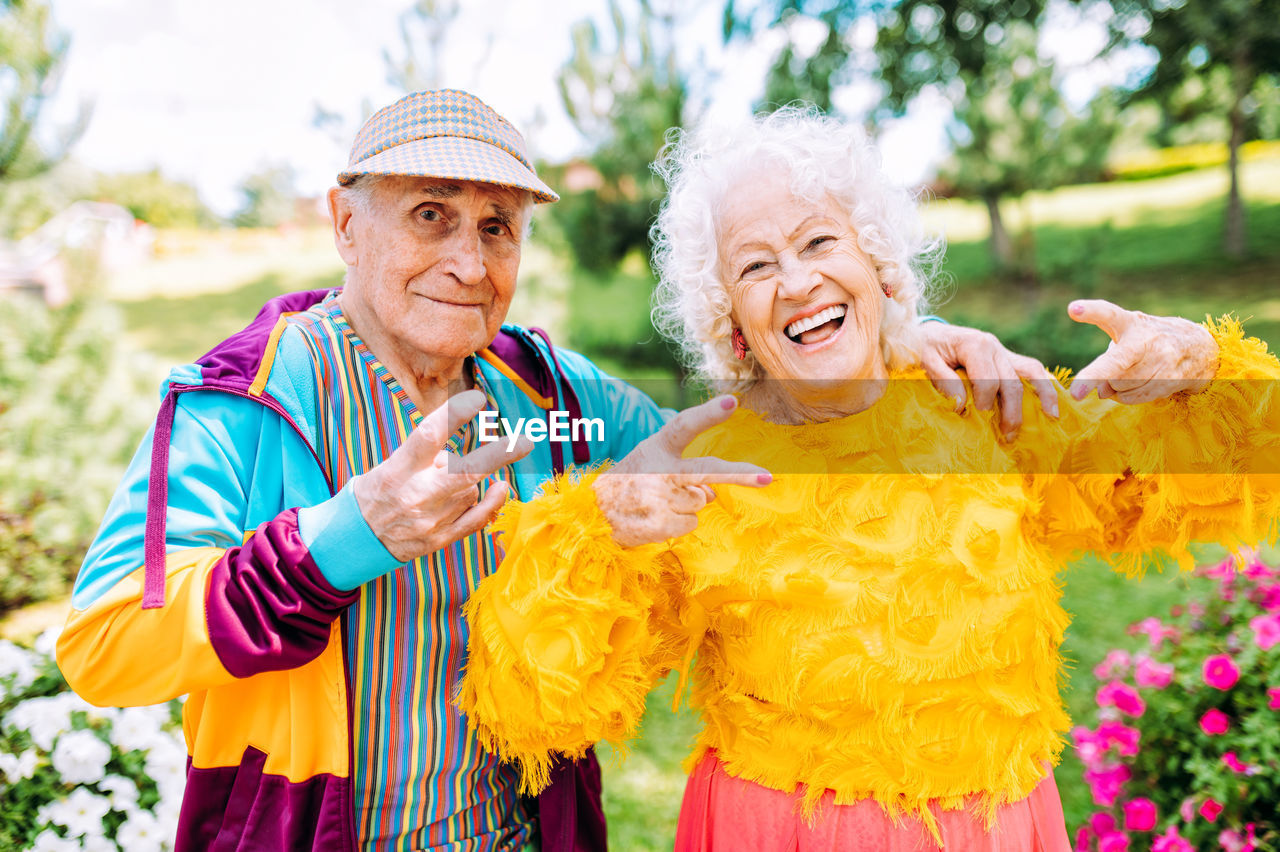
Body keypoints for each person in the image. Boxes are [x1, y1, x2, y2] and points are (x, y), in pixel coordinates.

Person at [55, 90, 1060, 852]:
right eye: (429, 215)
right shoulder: (246, 400)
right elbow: (103, 642)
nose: (466, 258)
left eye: (496, 227)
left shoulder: (544, 394)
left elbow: (725, 448)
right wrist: (335, 545)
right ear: (345, 222)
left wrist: (893, 332)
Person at [457, 108, 1280, 851]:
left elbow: (1221, 477)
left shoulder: (987, 405)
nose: (798, 282)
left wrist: (1199, 364)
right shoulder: (699, 475)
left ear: (879, 269)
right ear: (732, 325)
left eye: (820, 243)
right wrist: (607, 526)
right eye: (755, 268)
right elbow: (536, 707)